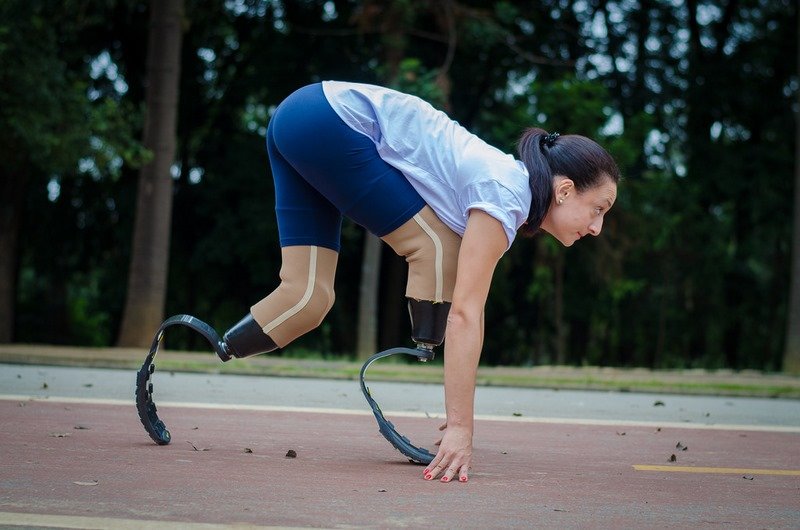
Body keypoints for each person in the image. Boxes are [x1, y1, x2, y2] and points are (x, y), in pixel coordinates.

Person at [219, 80, 620, 483]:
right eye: (598, 209)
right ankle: (426, 350)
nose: (598, 227)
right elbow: (465, 314)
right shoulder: (504, 194)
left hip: (301, 115)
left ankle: (211, 343)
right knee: (438, 249)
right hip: (327, 120)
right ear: (565, 190)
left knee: (307, 298)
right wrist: (462, 428)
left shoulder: (503, 188)